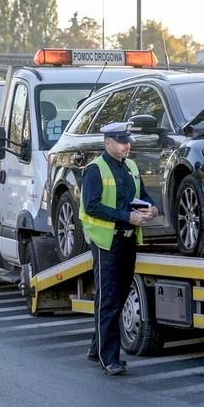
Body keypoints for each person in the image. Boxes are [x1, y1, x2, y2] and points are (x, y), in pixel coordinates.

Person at [79, 121, 158, 376]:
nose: (127, 146)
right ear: (108, 142)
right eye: (122, 141)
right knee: (109, 300)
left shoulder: (131, 166)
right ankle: (109, 359)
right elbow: (91, 207)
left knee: (120, 297)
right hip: (106, 242)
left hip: (127, 239)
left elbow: (142, 194)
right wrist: (127, 217)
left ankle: (96, 348)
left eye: (128, 142)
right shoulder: (95, 169)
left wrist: (151, 208)